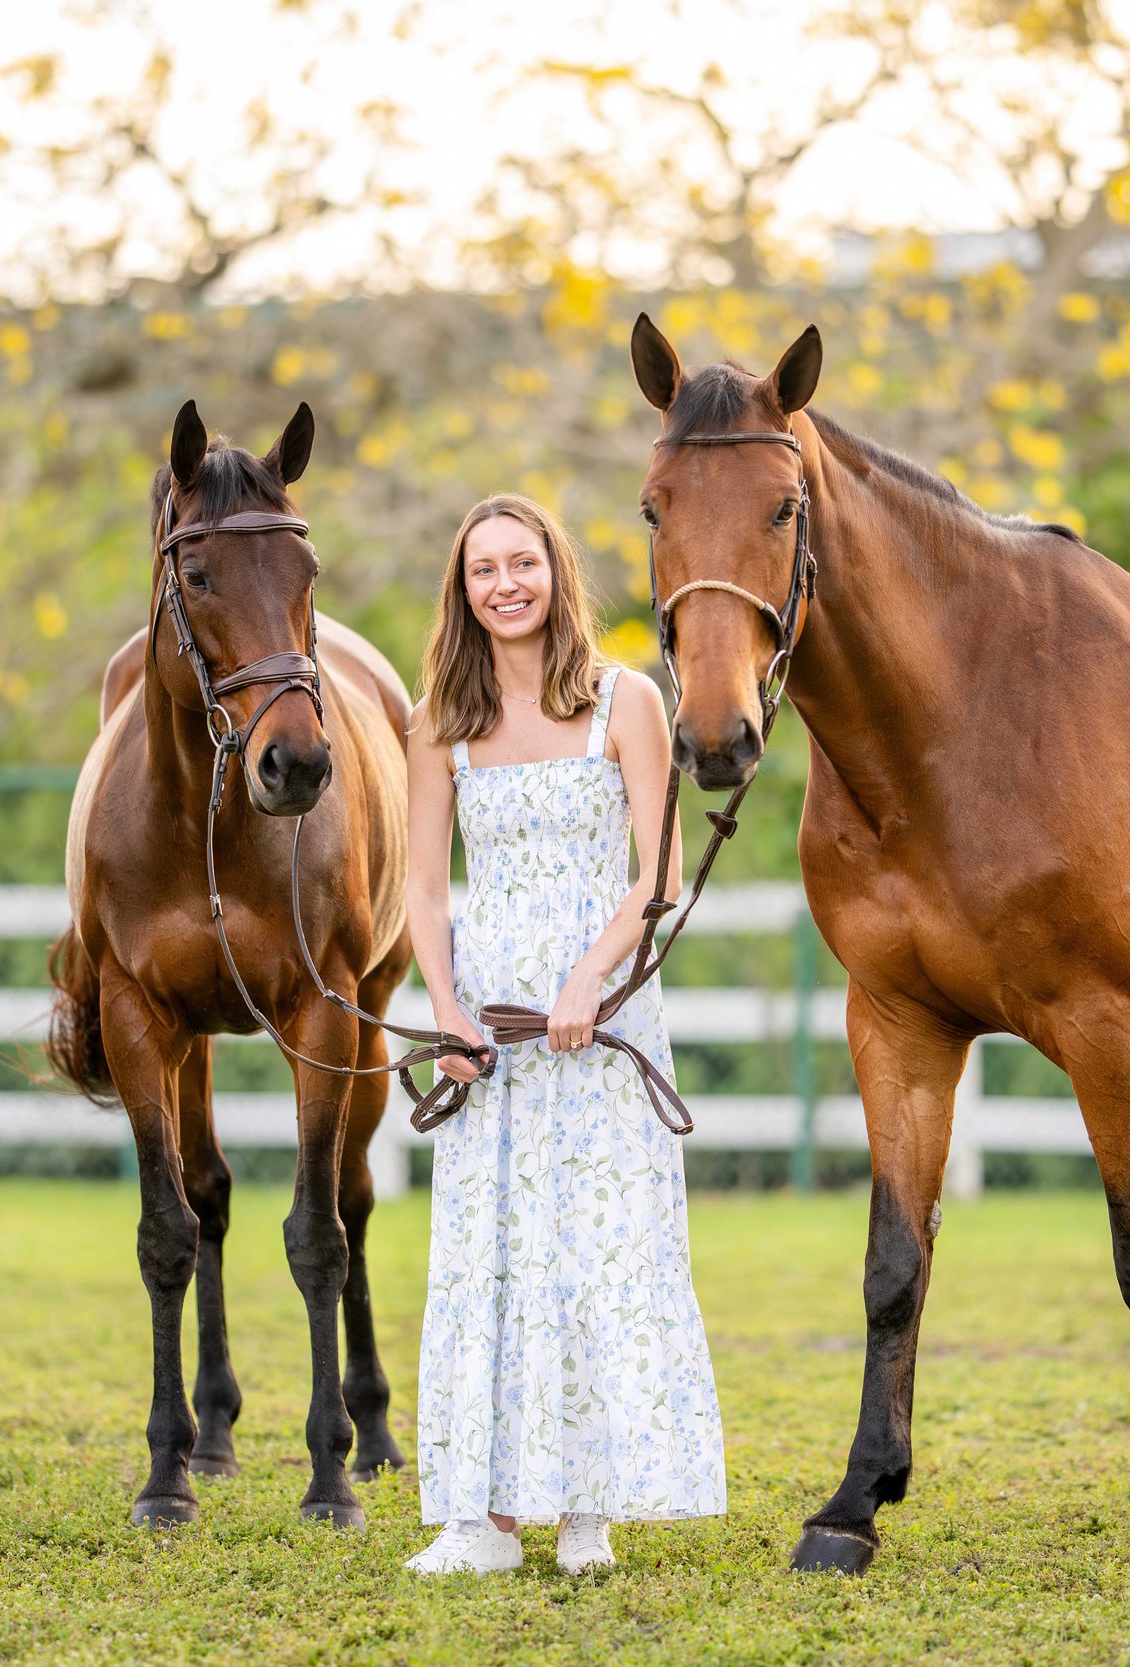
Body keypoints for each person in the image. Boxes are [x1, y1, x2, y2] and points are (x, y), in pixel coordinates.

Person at [401, 493, 726, 1576]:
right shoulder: (438, 720)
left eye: (522, 563)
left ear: (555, 573)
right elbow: (425, 888)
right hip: (490, 1027)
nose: (505, 583)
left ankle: (590, 1503)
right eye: (484, 567)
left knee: (596, 1250)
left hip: (598, 1015)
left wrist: (593, 979)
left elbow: (660, 874)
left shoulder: (623, 700)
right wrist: (445, 1008)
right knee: (488, 1254)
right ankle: (480, 1516)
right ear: (464, 586)